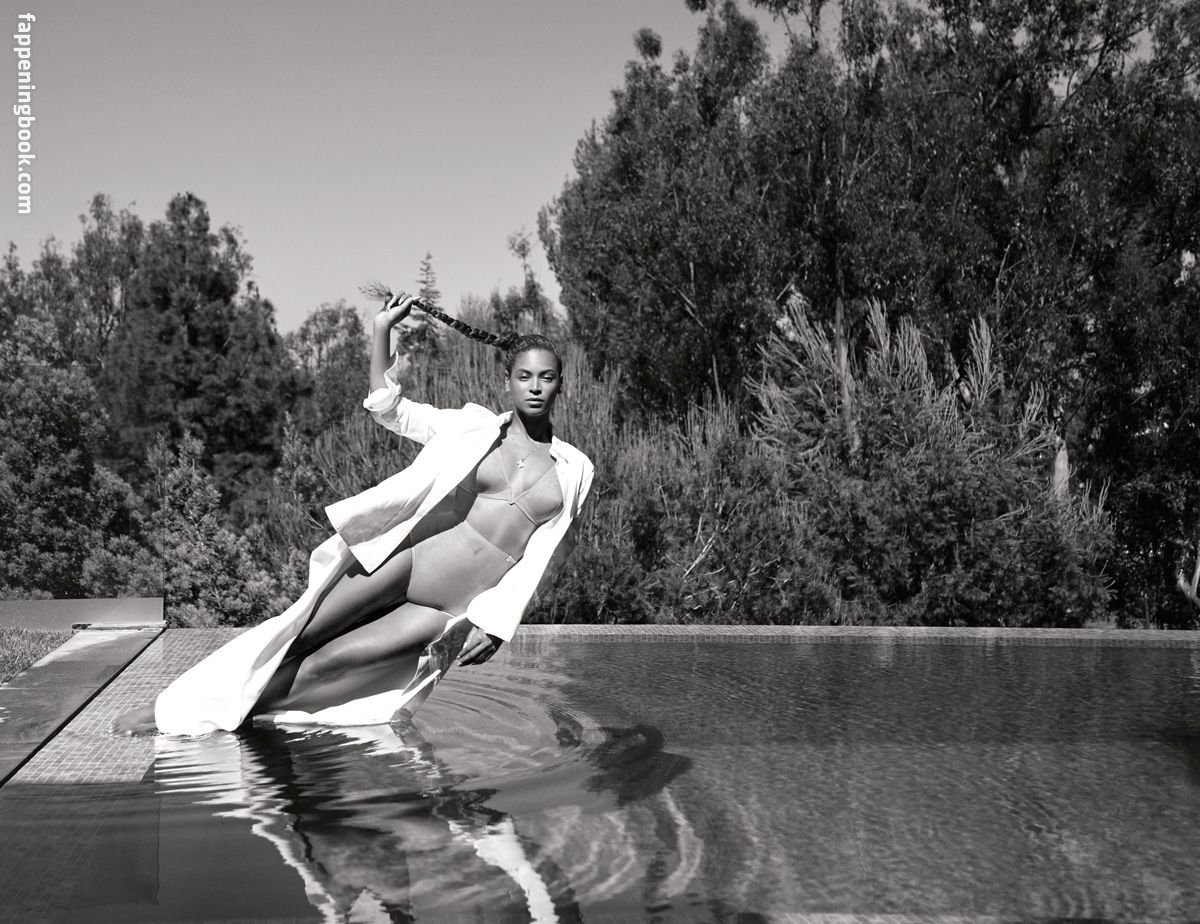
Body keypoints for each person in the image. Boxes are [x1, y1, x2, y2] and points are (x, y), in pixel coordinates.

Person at [115, 290, 594, 735]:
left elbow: (542, 562)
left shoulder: (574, 469)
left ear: (560, 385)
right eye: (524, 376)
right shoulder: (472, 428)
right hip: (410, 559)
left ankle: (219, 718)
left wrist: (496, 626)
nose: (534, 387)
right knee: (296, 634)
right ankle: (169, 711)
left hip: (446, 608)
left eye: (546, 377)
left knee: (327, 667)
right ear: (507, 382)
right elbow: (391, 409)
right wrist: (382, 330)